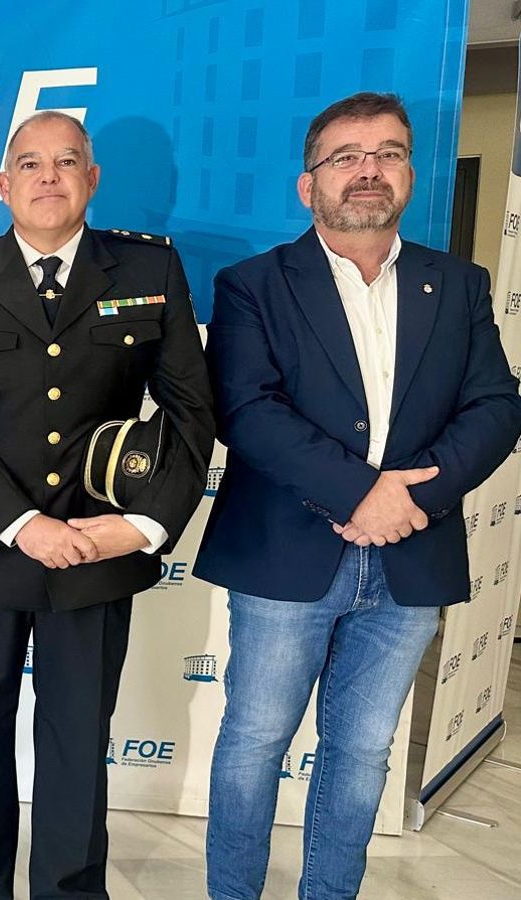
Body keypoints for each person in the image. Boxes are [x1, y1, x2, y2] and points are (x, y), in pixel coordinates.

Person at [196, 91, 521, 900]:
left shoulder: (459, 284)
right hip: (284, 553)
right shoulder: (253, 285)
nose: (368, 170)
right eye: (346, 156)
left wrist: (415, 497)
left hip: (414, 554)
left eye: (388, 153)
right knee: (255, 741)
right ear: (308, 186)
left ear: (410, 174)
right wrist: (359, 492)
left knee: (365, 750)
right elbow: (247, 408)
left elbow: (497, 405)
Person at [0, 110, 215, 899]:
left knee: (78, 740)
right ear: (3, 185)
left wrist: (141, 528)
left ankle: (70, 890)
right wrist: (22, 525)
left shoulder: (148, 271)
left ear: (93, 178)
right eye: (31, 164)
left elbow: (191, 412)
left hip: (97, 552)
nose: (50, 177)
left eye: (68, 161)